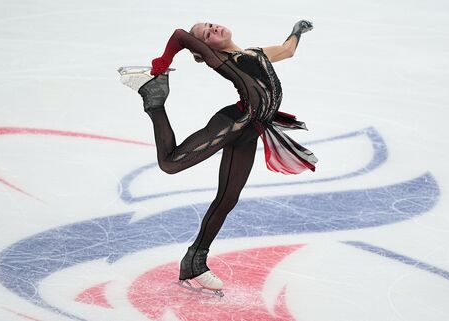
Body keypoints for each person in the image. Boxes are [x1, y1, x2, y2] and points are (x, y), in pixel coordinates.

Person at [119, 20, 317, 296]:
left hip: (251, 130)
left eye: (211, 25)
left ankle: (194, 261)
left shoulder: (256, 53)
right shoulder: (222, 60)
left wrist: (297, 30)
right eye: (206, 35)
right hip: (232, 123)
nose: (213, 30)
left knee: (228, 198)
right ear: (204, 51)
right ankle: (154, 102)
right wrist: (163, 63)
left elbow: (287, 50)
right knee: (170, 163)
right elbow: (179, 36)